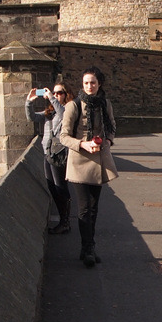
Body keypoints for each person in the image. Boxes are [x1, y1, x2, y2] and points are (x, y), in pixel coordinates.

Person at [58, 66, 118, 268]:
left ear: (99, 83)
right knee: (84, 209)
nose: (89, 86)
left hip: (99, 159)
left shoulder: (105, 104)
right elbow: (63, 136)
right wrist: (83, 144)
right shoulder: (73, 106)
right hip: (79, 161)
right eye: (86, 83)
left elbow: (112, 126)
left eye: (93, 82)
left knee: (94, 208)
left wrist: (107, 141)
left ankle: (87, 248)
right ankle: (89, 248)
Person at [25, 81, 73, 235]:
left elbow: (64, 116)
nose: (56, 95)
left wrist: (52, 98)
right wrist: (29, 101)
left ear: (66, 95)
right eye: (55, 92)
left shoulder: (68, 109)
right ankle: (62, 219)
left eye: (60, 93)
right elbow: (31, 117)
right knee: (52, 187)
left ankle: (65, 221)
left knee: (61, 187)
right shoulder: (49, 112)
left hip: (59, 153)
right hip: (48, 153)